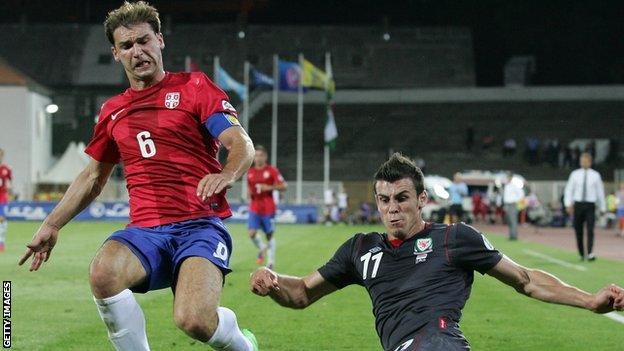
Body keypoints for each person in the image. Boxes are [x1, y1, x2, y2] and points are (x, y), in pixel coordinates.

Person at [18, 2, 258, 350]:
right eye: (127, 46)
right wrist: (52, 224)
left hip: (199, 225)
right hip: (145, 231)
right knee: (103, 272)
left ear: (160, 40)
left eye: (144, 41)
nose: (138, 51)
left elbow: (240, 143)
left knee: (193, 320)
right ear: (115, 54)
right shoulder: (112, 111)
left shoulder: (194, 87)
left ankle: (240, 340)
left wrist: (227, 172)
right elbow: (93, 177)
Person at [249, 153, 624, 351]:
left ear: (422, 200)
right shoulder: (360, 249)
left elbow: (525, 280)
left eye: (401, 198)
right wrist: (273, 280)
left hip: (440, 342)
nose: (392, 208)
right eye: (384, 200)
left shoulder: (455, 238)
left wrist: (590, 301)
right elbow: (301, 294)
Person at [247, 145, 286, 269]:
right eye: (256, 155)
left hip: (268, 208)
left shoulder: (272, 170)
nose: (258, 158)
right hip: (254, 207)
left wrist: (268, 187)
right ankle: (262, 247)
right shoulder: (250, 172)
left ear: (265, 157)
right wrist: (250, 196)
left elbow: (284, 186)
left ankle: (270, 262)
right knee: (252, 233)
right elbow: (250, 188)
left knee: (269, 235)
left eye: (260, 155)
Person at [564, 152, 606, 261]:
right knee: (578, 230)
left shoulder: (596, 175)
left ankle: (590, 252)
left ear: (590, 162)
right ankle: (582, 253)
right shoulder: (575, 174)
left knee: (590, 229)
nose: (583, 163)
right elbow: (569, 190)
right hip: (578, 205)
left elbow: (600, 192)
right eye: (582, 161)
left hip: (590, 205)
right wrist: (568, 204)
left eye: (586, 161)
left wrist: (602, 207)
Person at [503, 172, 524, 241]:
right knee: (509, 220)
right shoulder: (507, 185)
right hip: (507, 204)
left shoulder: (515, 185)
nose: (507, 178)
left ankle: (514, 236)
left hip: (513, 204)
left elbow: (521, 194)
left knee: (513, 220)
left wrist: (515, 200)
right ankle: (511, 235)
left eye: (508, 177)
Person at [0, 148, 12, 252]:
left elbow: (10, 181)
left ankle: (1, 242)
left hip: (2, 197)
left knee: (2, 218)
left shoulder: (6, 169)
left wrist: (10, 190)